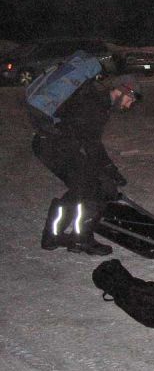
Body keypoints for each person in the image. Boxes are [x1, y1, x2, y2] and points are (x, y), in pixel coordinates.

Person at [32, 74, 143, 255]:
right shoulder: (95, 105)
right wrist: (107, 174)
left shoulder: (99, 102)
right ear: (120, 92)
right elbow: (91, 145)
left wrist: (110, 170)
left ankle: (52, 236)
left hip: (55, 144)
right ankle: (81, 240)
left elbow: (91, 142)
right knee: (93, 188)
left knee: (82, 187)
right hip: (53, 146)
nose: (129, 105)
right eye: (130, 99)